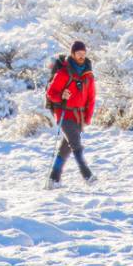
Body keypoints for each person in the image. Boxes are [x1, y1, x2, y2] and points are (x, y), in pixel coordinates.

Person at [44, 41, 97, 189]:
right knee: (75, 144)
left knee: (65, 149)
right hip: (64, 113)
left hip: (79, 116)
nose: (81, 56)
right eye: (78, 53)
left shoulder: (88, 75)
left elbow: (91, 98)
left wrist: (87, 117)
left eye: (83, 53)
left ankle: (53, 179)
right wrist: (62, 95)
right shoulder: (63, 72)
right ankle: (87, 175)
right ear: (73, 54)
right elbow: (51, 93)